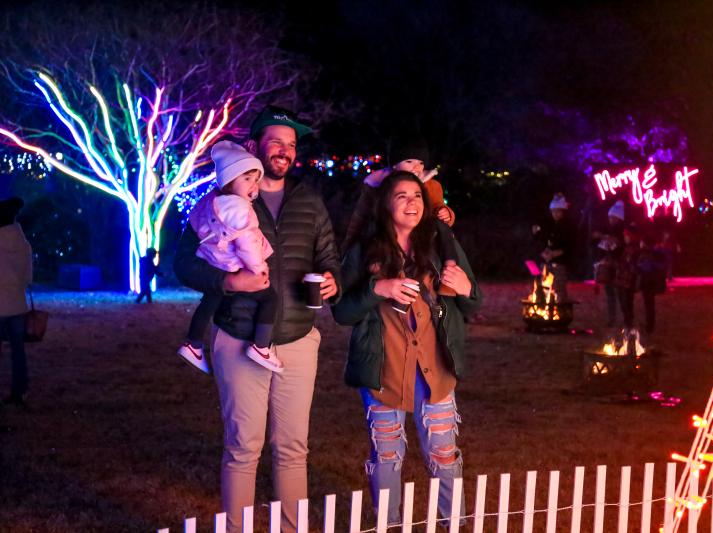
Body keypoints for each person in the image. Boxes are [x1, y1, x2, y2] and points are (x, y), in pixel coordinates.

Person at [174, 105, 341, 533]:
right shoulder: (220, 203)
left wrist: (331, 281)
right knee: (242, 448)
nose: (285, 150)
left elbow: (328, 256)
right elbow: (183, 264)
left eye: (291, 144)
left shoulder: (309, 201)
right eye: (276, 142)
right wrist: (229, 282)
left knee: (292, 449)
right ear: (253, 146)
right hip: (237, 336)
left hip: (298, 338)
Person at [332, 171, 483, 527]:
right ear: (386, 203)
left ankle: (454, 523)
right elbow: (341, 312)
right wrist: (377, 289)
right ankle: (387, 524)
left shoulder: (441, 243)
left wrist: (465, 288)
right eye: (401, 195)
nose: (411, 202)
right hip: (384, 370)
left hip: (435, 369)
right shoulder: (365, 249)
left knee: (443, 453)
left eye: (417, 195)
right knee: (387, 454)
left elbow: (473, 302)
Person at [177, 141, 280, 375]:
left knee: (210, 300)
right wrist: (258, 268)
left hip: (215, 261)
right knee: (270, 299)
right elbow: (247, 245)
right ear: (229, 180)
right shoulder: (240, 210)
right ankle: (261, 347)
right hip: (234, 266)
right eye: (247, 179)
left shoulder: (211, 202)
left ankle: (193, 343)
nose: (253, 185)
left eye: (255, 179)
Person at [342, 138, 460, 295]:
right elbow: (359, 218)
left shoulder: (431, 185)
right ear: (395, 164)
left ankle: (449, 271)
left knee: (443, 230)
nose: (416, 167)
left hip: (423, 235)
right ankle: (379, 268)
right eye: (409, 161)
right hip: (386, 235)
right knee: (373, 227)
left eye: (421, 163)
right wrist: (348, 248)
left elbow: (439, 205)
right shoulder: (377, 185)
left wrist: (445, 212)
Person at [0, 197, 32, 406]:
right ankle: (19, 391)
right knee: (18, 350)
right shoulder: (23, 243)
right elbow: (28, 277)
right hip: (17, 303)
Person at [531, 193, 574, 302]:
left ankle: (560, 308)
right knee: (543, 286)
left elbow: (570, 245)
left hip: (560, 263)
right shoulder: (548, 224)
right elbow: (540, 241)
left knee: (559, 288)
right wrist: (543, 251)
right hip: (546, 261)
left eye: (558, 211)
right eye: (553, 211)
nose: (555, 214)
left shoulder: (568, 226)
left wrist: (556, 253)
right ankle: (544, 306)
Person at [592, 200, 625, 326]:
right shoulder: (608, 230)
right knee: (610, 292)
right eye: (610, 217)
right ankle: (613, 318)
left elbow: (619, 246)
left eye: (613, 217)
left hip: (618, 266)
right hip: (608, 266)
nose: (611, 219)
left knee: (618, 293)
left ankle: (621, 318)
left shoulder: (621, 232)